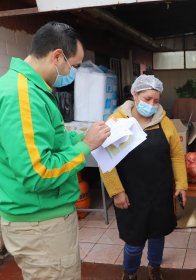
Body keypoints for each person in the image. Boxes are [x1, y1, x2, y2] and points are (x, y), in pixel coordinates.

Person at [0, 22, 110, 279]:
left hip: (42, 219)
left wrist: (81, 136)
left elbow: (51, 143)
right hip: (41, 226)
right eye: (75, 66)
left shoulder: (32, 89)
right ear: (57, 56)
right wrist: (86, 147)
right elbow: (38, 172)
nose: (75, 73)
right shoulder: (22, 96)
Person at [100, 74, 188, 280]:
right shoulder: (116, 121)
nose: (152, 104)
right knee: (134, 240)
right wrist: (116, 191)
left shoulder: (164, 123)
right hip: (131, 193)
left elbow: (176, 155)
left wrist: (181, 184)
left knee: (158, 235)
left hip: (160, 190)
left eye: (156, 101)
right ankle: (130, 273)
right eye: (147, 99)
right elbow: (106, 161)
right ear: (135, 94)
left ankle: (154, 268)